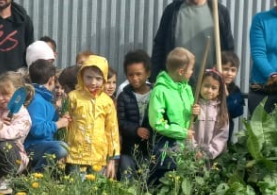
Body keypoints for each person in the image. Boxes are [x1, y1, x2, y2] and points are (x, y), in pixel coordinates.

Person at [151, 0, 235, 85]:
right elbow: (159, 45)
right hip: (176, 85)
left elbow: (228, 48)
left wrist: (225, 79)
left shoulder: (219, 12)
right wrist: (155, 78)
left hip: (208, 86)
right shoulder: (173, 11)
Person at [65, 55, 120, 178]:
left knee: (96, 188)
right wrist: (62, 150)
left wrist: (112, 159)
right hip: (76, 155)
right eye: (89, 77)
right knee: (75, 188)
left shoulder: (107, 102)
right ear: (81, 76)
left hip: (99, 157)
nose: (93, 82)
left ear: (104, 79)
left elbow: (112, 131)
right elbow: (65, 125)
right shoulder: (73, 97)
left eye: (98, 79)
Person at [148, 47, 195, 185]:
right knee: (163, 186)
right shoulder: (160, 91)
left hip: (185, 147)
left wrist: (195, 113)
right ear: (181, 71)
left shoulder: (186, 89)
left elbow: (189, 118)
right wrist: (183, 133)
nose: (192, 72)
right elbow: (157, 122)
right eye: (191, 69)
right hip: (166, 147)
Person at [25, 59, 71, 171]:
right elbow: (37, 129)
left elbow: (48, 121)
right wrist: (58, 124)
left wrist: (61, 118)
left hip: (43, 144)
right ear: (51, 80)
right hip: (33, 146)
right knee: (62, 148)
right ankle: (36, 175)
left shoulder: (45, 99)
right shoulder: (37, 100)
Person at [116, 50, 153, 181]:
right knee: (126, 180)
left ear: (148, 73)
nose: (135, 78)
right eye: (130, 75)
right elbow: (120, 121)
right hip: (128, 149)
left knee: (146, 182)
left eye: (139, 74)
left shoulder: (156, 94)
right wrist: (136, 130)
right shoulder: (124, 96)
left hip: (149, 149)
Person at [190, 70, 230, 161]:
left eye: (214, 88)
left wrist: (209, 153)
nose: (209, 90)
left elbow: (222, 135)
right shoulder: (193, 106)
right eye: (206, 86)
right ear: (199, 86)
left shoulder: (221, 110)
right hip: (191, 156)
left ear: (219, 91)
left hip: (213, 158)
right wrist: (194, 151)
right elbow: (188, 130)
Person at [219, 51, 244, 141]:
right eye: (225, 69)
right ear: (217, 67)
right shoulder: (211, 86)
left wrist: (228, 97)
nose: (229, 73)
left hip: (225, 130)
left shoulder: (235, 90)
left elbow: (237, 112)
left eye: (233, 70)